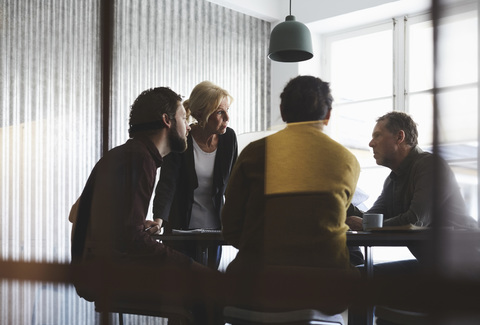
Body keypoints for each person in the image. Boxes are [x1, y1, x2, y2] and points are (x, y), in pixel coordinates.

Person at [70, 87, 221, 324]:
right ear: (167, 121)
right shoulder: (140, 160)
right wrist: (189, 265)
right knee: (209, 286)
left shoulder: (124, 154)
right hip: (110, 275)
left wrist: (136, 223)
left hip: (94, 272)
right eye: (183, 118)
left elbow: (77, 214)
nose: (189, 126)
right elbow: (133, 241)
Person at [221, 75, 361, 314]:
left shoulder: (254, 153)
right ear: (328, 115)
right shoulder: (347, 160)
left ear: (283, 112)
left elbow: (231, 227)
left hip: (256, 287)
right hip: (325, 291)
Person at [346, 111, 478, 325]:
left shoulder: (429, 166)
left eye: (377, 135)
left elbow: (415, 221)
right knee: (358, 277)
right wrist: (342, 203)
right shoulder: (393, 180)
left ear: (400, 137)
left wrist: (365, 224)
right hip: (432, 268)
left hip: (466, 270)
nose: (371, 143)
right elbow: (370, 219)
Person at [153, 81, 238, 269]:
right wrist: (158, 220)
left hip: (214, 230)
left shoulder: (229, 138)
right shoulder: (182, 138)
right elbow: (167, 184)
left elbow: (233, 186)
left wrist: (240, 222)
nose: (227, 117)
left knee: (208, 287)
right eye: (219, 112)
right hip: (180, 227)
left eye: (227, 110)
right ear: (201, 114)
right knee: (182, 288)